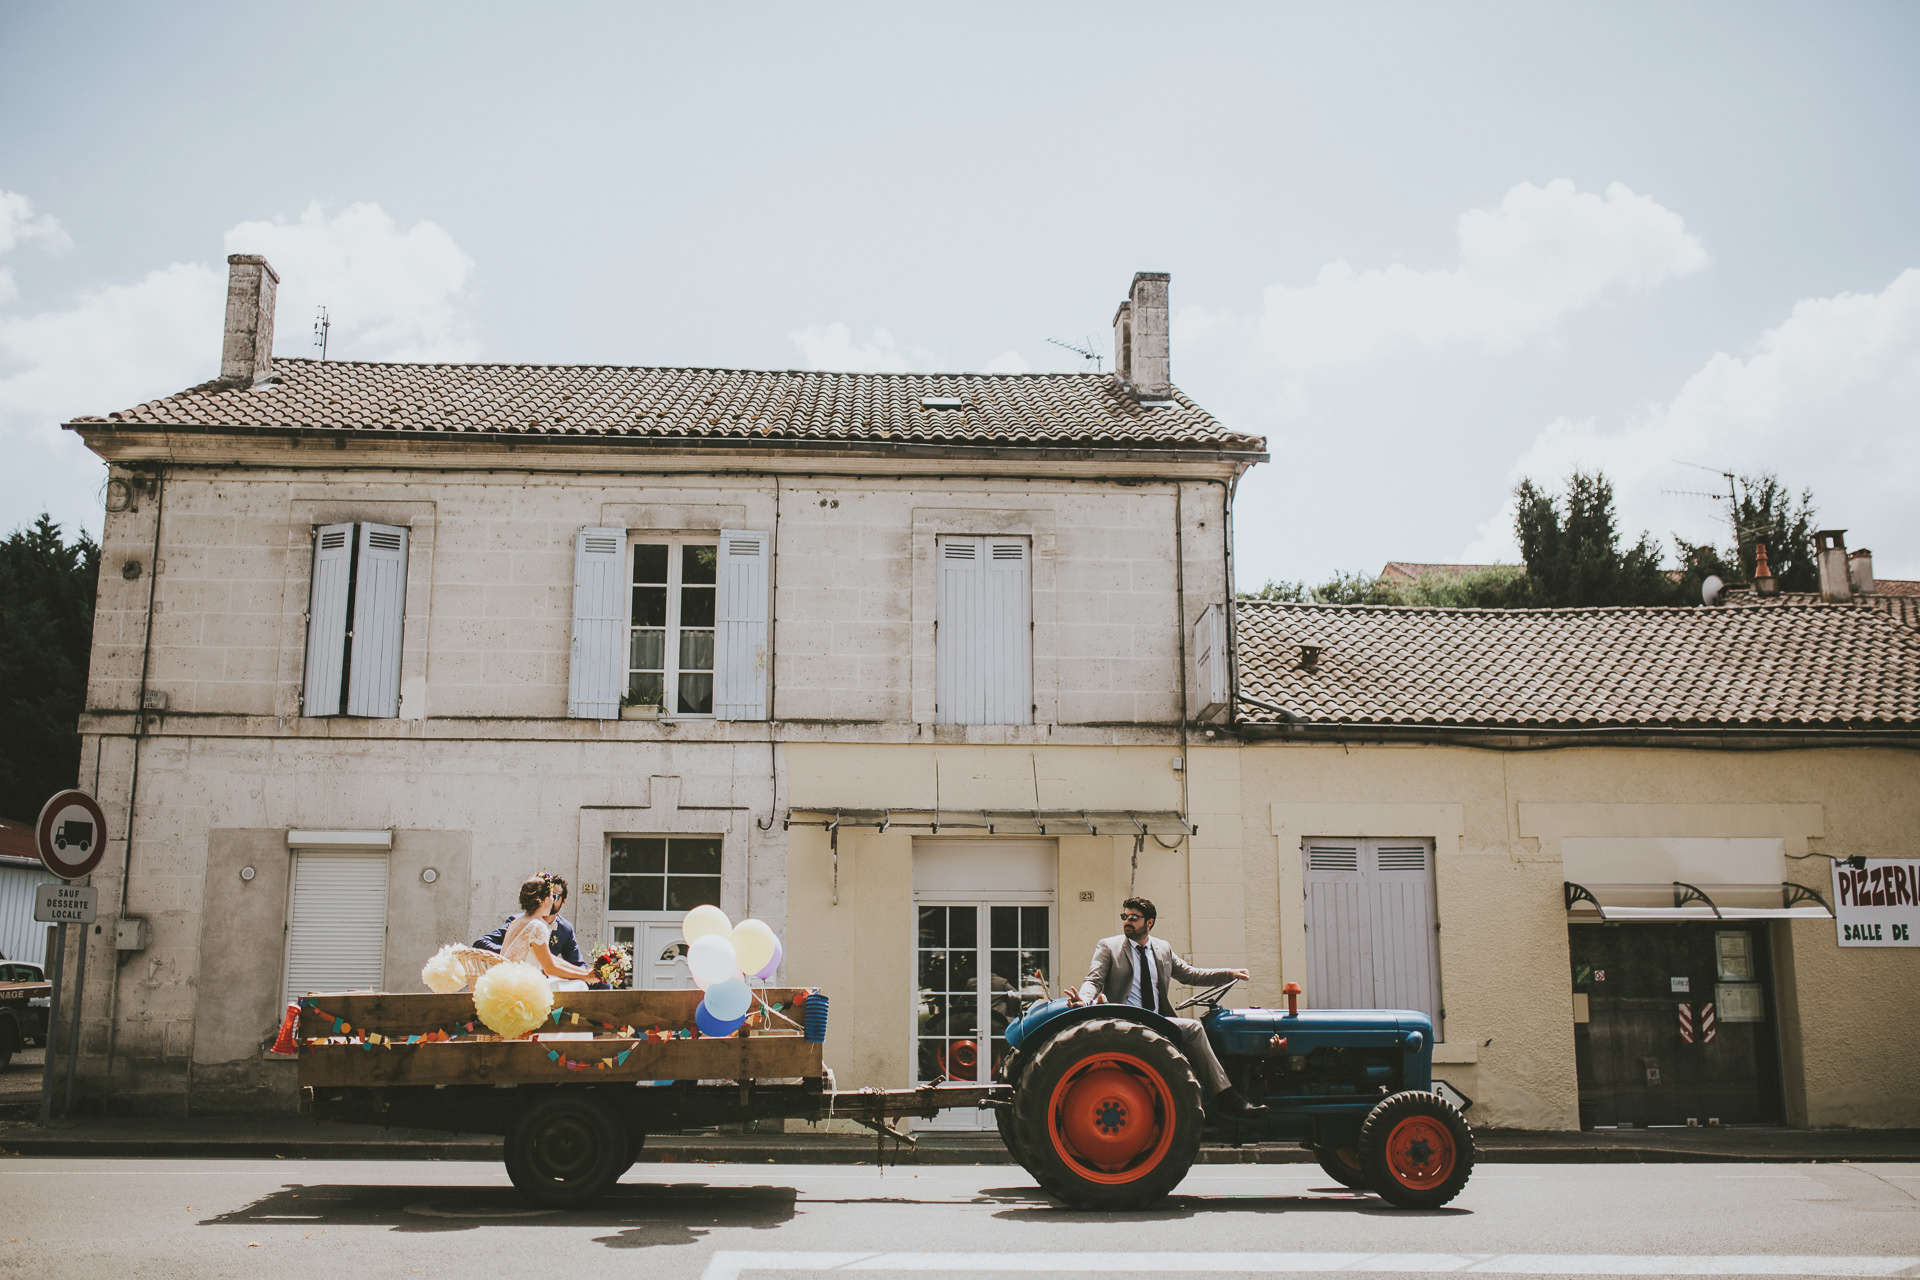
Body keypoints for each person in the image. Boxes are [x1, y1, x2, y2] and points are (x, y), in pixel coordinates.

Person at [1069, 895, 1267, 1119]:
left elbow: (1191, 974)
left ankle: (1209, 1091)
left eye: (1134, 917)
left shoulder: (1162, 949)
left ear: (1149, 922)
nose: (1127, 921)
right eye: (1125, 916)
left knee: (1195, 1027)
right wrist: (1083, 1000)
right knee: (1193, 1029)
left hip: (1155, 1021)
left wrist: (1228, 974)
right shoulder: (1109, 946)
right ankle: (1226, 1098)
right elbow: (1094, 980)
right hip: (1125, 1022)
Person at [473, 873, 594, 972]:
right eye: (552, 896)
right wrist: (516, 954)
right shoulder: (528, 924)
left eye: (556, 896)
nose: (552, 901)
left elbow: (557, 960)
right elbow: (481, 943)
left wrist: (584, 974)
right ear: (545, 899)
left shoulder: (565, 929)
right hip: (525, 981)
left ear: (564, 901)